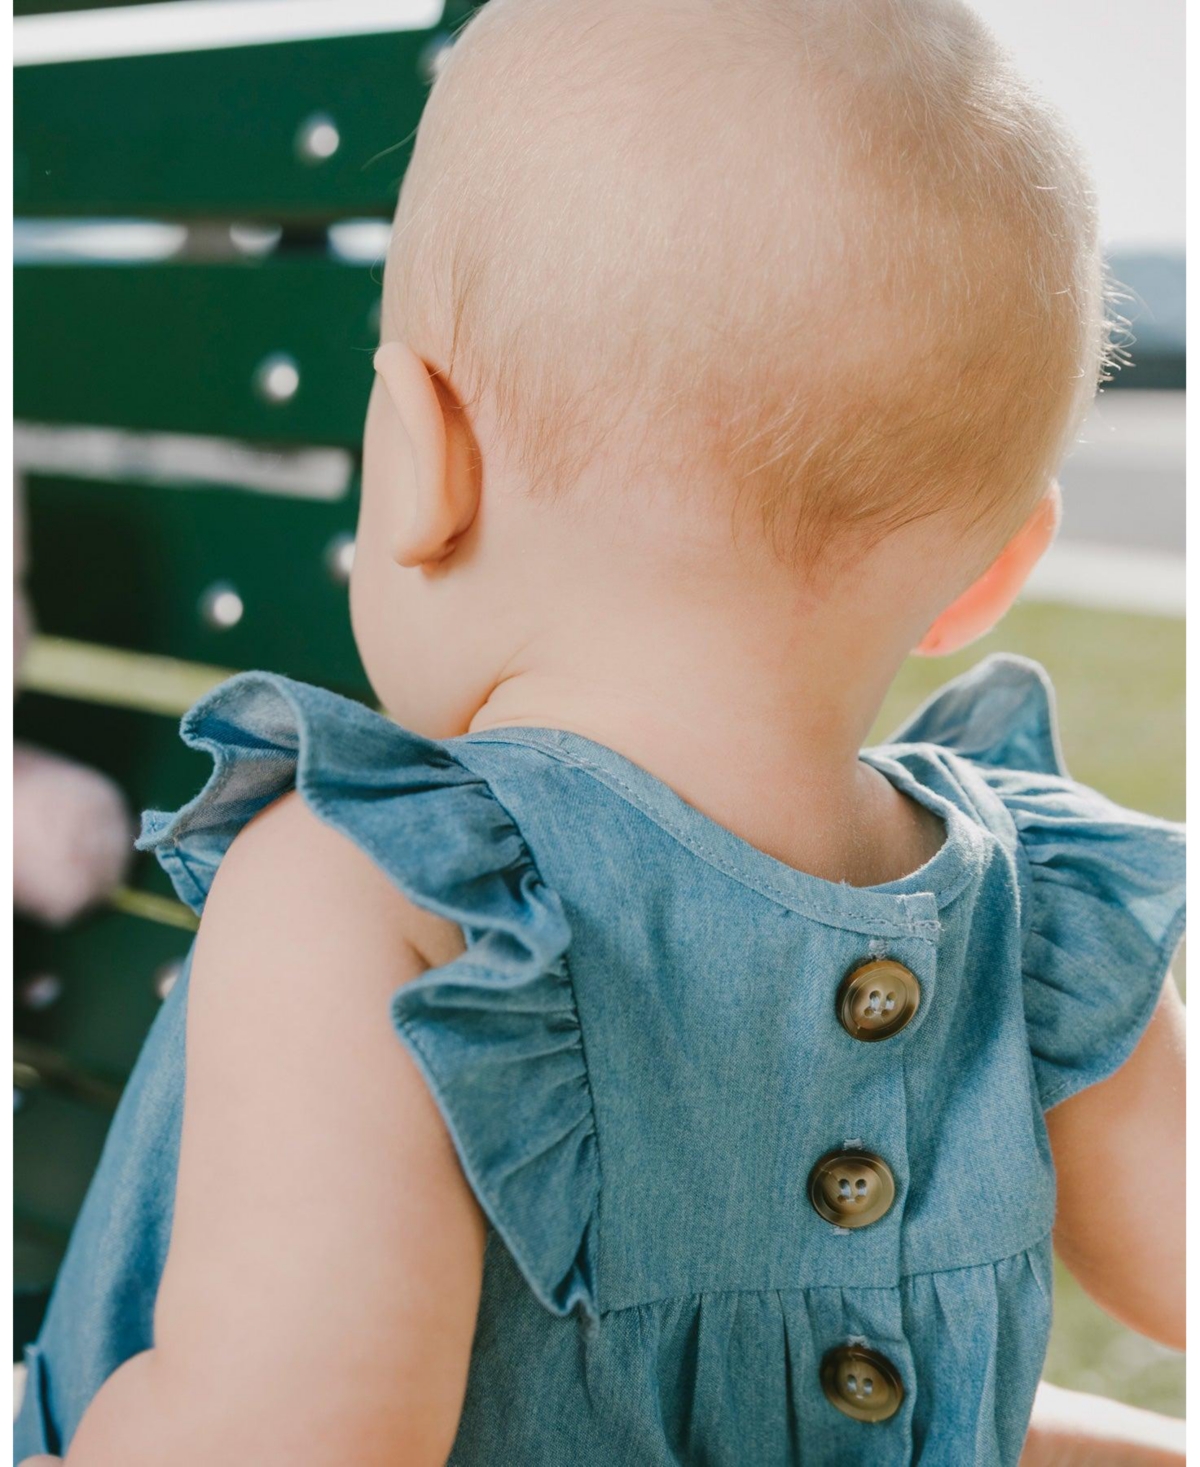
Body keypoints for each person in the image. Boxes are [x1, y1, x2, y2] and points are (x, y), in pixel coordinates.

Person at [15, 1, 1185, 1462]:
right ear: (992, 573)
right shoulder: (1036, 905)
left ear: (420, 463)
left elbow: (283, 1437)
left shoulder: (375, 891)